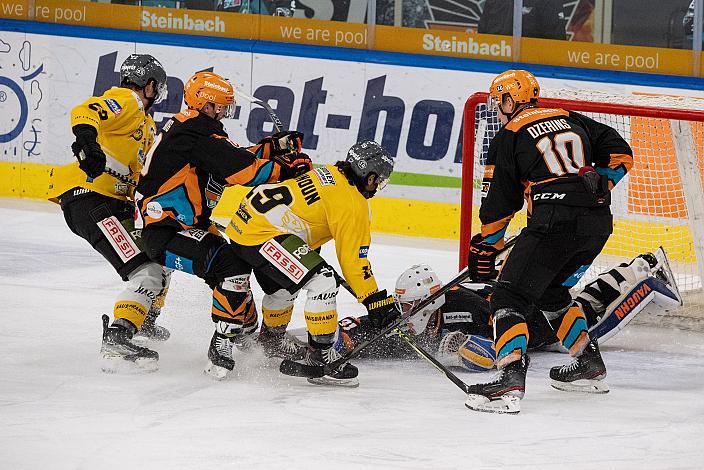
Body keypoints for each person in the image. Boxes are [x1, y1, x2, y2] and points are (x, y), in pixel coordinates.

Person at [464, 69, 634, 413]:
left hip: (553, 222)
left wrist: (487, 245)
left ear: (511, 100)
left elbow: (499, 202)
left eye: (499, 101)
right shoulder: (569, 117)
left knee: (508, 295)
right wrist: (600, 183)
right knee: (549, 291)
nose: (498, 109)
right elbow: (622, 153)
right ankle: (588, 364)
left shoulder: (509, 134)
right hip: (597, 223)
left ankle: (509, 380)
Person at [134, 70, 311, 378]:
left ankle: (246, 334)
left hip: (178, 227)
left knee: (236, 261)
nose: (222, 113)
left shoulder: (191, 129)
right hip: (166, 230)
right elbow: (240, 171)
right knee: (230, 265)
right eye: (219, 107)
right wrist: (286, 170)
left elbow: (228, 155)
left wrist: (273, 148)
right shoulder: (197, 132)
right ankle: (223, 342)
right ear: (204, 104)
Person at [329, 248, 681, 371]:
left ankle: (644, 272)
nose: (403, 311)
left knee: (587, 309)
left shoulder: (464, 310)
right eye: (402, 303)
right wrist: (340, 341)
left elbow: (499, 351)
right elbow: (366, 327)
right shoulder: (416, 314)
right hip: (513, 301)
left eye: (408, 305)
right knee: (583, 298)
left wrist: (464, 350)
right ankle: (640, 264)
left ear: (427, 301)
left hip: (536, 325)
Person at [225, 140, 400, 387]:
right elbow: (353, 262)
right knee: (323, 280)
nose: (378, 186)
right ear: (369, 177)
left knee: (286, 286)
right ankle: (321, 357)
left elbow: (308, 216)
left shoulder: (330, 172)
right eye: (379, 179)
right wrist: (374, 300)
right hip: (263, 234)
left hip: (245, 223)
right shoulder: (352, 203)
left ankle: (271, 342)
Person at [47, 54, 173, 373]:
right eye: (156, 86)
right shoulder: (127, 100)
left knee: (161, 252)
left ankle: (142, 318)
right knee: (145, 270)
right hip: (91, 199)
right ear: (149, 84)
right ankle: (118, 336)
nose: (157, 92)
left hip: (114, 203)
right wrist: (88, 142)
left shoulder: (147, 123)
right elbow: (87, 111)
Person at [478, 0, 566, 40]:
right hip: (494, 65)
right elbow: (482, 36)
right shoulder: (494, 1)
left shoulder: (549, 2)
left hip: (534, 69)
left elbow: (557, 43)